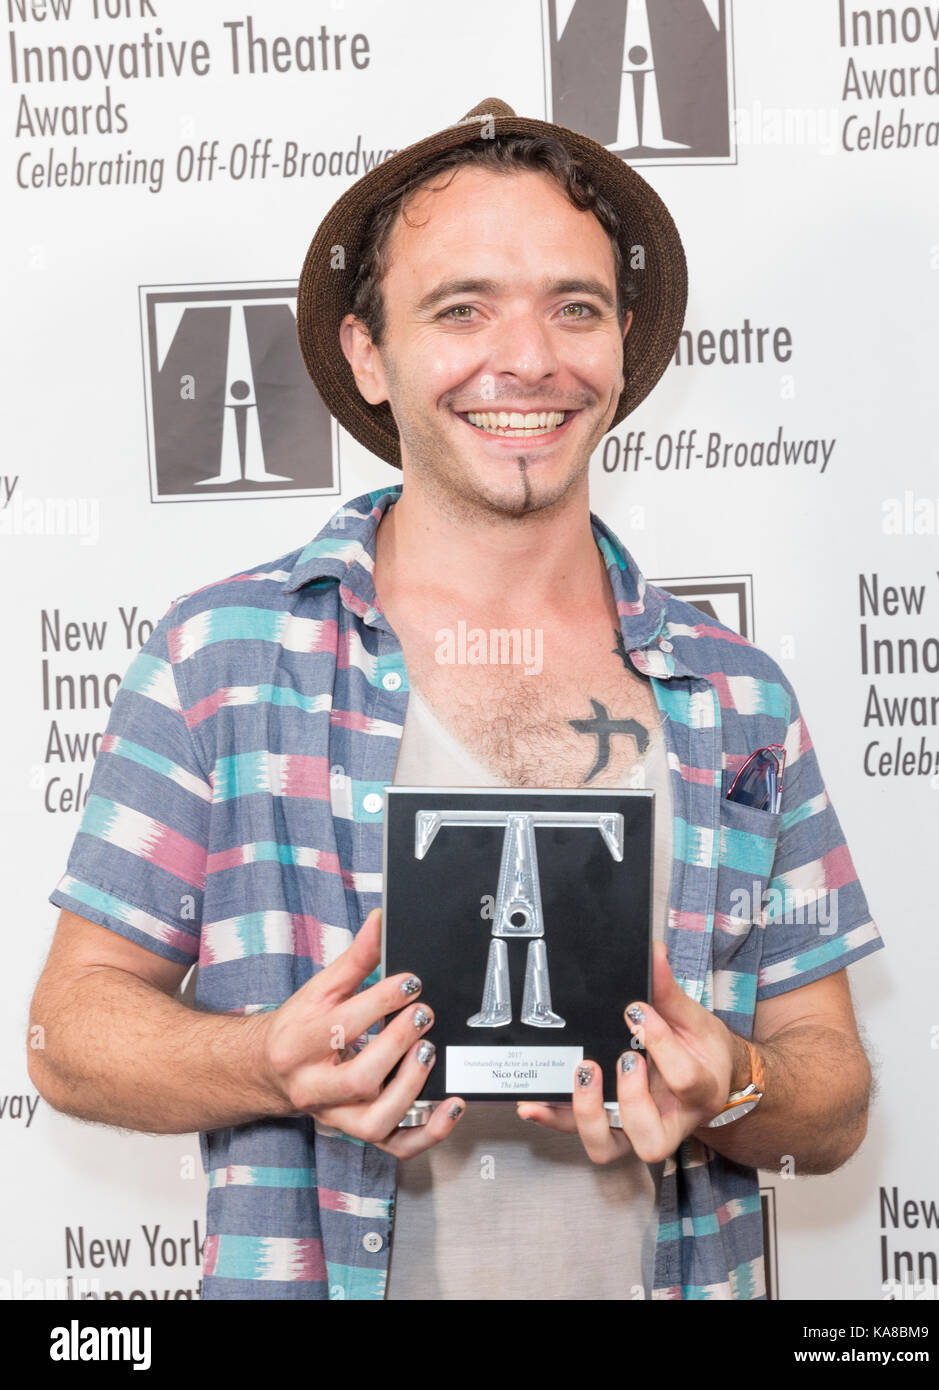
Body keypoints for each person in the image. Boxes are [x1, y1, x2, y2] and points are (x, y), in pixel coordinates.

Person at [29, 97, 884, 1300]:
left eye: (574, 307)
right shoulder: (222, 659)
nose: (527, 357)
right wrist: (270, 1063)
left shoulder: (733, 695)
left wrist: (731, 1083)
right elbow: (69, 1035)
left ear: (623, 347)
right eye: (462, 307)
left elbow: (831, 1094)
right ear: (369, 355)